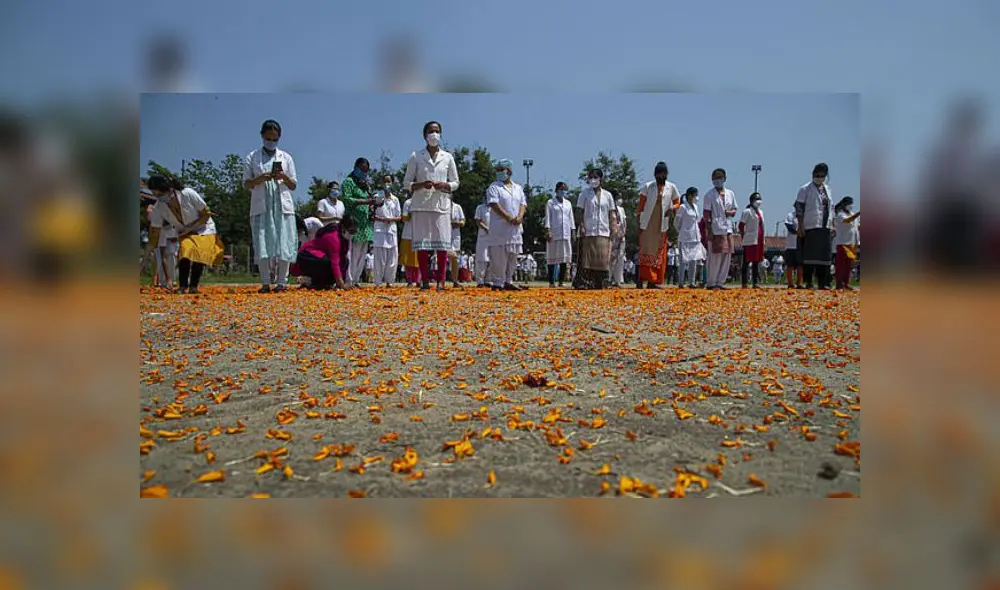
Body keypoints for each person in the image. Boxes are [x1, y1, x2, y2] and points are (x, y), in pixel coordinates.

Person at [141, 174, 223, 294]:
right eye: (155, 195)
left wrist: (190, 229)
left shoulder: (188, 193)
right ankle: (183, 286)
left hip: (203, 228)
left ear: (169, 190)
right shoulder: (159, 207)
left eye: (160, 194)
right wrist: (143, 262)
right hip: (184, 232)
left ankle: (193, 286)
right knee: (185, 252)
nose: (158, 198)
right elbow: (154, 236)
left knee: (199, 254)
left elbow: (206, 214)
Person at [403, 121, 460, 291]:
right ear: (424, 135)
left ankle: (441, 281)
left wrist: (446, 186)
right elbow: (407, 182)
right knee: (422, 245)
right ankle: (425, 281)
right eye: (430, 131)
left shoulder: (448, 157)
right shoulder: (416, 156)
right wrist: (420, 185)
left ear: (441, 134)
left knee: (442, 245)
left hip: (441, 205)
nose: (434, 134)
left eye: (437, 131)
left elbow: (456, 181)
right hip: (421, 204)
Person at [244, 119, 298, 293]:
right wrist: (261, 178)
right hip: (262, 204)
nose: (271, 142)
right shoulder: (252, 157)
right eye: (268, 138)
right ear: (262, 136)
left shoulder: (286, 157)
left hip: (282, 204)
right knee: (262, 243)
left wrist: (282, 176)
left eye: (274, 139)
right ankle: (266, 282)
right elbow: (246, 184)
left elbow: (293, 184)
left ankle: (282, 282)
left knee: (284, 243)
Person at [637, 162, 681, 289]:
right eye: (658, 173)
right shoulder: (648, 186)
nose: (660, 175)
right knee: (645, 250)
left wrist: (673, 208)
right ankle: (641, 279)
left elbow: (677, 201)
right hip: (647, 222)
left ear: (666, 174)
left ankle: (654, 280)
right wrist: (639, 218)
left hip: (661, 222)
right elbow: (641, 204)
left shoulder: (671, 187)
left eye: (662, 173)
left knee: (658, 252)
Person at [486, 158, 527, 291]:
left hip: (515, 228)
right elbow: (493, 204)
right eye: (497, 170)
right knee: (499, 256)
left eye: (501, 170)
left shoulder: (518, 188)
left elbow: (523, 204)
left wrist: (520, 216)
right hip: (500, 228)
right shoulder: (494, 187)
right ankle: (498, 282)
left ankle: (509, 280)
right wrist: (508, 217)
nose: (499, 173)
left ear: (508, 171)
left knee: (513, 255)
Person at [574, 168, 617, 290]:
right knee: (587, 258)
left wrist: (613, 227)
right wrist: (581, 226)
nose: (593, 180)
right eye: (590, 177)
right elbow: (579, 212)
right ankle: (584, 282)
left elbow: (611, 213)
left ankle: (602, 282)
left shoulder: (608, 195)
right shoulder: (584, 194)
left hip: (603, 230)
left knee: (602, 259)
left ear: (601, 179)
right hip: (589, 230)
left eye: (595, 177)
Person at [795, 163, 834, 289]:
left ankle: (823, 282)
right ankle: (809, 281)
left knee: (825, 255)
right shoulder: (805, 189)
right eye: (817, 175)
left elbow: (830, 208)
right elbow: (799, 207)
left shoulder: (827, 189)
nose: (819, 177)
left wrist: (832, 225)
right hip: (811, 225)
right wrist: (800, 225)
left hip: (825, 226)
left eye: (822, 175)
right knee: (810, 255)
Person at [289, 215, 356, 290]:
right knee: (325, 262)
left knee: (345, 261)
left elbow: (343, 260)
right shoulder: (334, 238)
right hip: (306, 255)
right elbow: (335, 263)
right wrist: (342, 284)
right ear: (343, 227)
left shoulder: (345, 240)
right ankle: (309, 279)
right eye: (351, 231)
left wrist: (341, 281)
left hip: (318, 256)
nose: (352, 234)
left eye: (354, 231)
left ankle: (323, 283)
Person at [342, 158, 378, 287]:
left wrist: (374, 202)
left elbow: (370, 200)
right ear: (356, 167)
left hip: (365, 222)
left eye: (366, 171)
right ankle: (348, 279)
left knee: (362, 252)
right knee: (352, 251)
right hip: (353, 222)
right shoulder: (348, 182)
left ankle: (356, 279)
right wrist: (365, 201)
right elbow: (347, 199)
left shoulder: (365, 184)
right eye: (362, 169)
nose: (364, 172)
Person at [703, 168, 738, 290]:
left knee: (726, 254)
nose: (718, 180)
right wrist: (709, 230)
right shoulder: (709, 195)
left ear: (725, 178)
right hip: (715, 227)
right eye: (715, 178)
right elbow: (706, 214)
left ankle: (720, 282)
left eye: (720, 177)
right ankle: (712, 282)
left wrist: (730, 212)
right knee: (715, 255)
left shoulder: (730, 193)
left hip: (727, 227)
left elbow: (734, 209)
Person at [373, 175, 402, 287]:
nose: (387, 184)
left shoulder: (395, 199)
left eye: (389, 181)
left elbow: (399, 216)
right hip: (380, 229)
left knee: (392, 257)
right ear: (381, 182)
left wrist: (390, 219)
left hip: (391, 230)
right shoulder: (377, 196)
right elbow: (372, 214)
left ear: (392, 183)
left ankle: (390, 282)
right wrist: (382, 219)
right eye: (385, 181)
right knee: (380, 258)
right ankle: (378, 282)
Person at [545, 182, 575, 287]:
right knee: (552, 257)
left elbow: (571, 218)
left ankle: (561, 281)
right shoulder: (550, 202)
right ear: (557, 190)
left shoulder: (568, 203)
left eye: (565, 189)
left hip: (565, 233)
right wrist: (548, 230)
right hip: (554, 233)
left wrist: (573, 230)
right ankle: (551, 281)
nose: (563, 191)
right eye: (561, 189)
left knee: (564, 258)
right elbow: (548, 217)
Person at [675, 187, 706, 288]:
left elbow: (696, 221)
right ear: (689, 196)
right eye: (695, 195)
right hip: (685, 237)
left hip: (695, 237)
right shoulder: (683, 207)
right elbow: (677, 222)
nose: (696, 197)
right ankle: (681, 282)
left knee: (694, 260)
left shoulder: (696, 207)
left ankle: (692, 282)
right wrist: (681, 230)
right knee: (683, 261)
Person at [738, 192, 766, 288]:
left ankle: (755, 282)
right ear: (751, 201)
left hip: (759, 239)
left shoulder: (761, 212)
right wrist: (743, 235)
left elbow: (762, 225)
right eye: (756, 199)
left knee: (756, 261)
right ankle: (744, 282)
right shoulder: (747, 212)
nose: (758, 201)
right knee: (746, 261)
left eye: (759, 199)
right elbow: (741, 225)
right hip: (749, 239)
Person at [833, 196, 860, 290]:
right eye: (849, 204)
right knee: (841, 264)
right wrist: (858, 214)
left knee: (848, 265)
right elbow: (847, 220)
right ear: (844, 204)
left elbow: (857, 226)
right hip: (842, 242)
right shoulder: (840, 214)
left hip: (852, 242)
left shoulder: (852, 214)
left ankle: (846, 282)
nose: (850, 206)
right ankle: (839, 283)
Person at [399, 193, 421, 287]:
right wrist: (411, 214)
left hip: (420, 234)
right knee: (408, 260)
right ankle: (409, 281)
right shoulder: (408, 202)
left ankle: (419, 280)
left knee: (419, 259)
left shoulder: (423, 203)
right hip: (408, 234)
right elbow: (403, 218)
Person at [608, 191, 627, 287]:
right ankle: (608, 279)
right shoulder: (609, 209)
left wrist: (624, 233)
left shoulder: (621, 209)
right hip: (612, 235)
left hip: (621, 236)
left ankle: (618, 280)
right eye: (618, 197)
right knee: (610, 258)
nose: (620, 200)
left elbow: (624, 222)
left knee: (620, 258)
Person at [783, 210, 804, 289]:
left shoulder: (806, 215)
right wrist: (797, 232)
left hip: (801, 244)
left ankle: (799, 283)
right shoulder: (791, 215)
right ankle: (790, 283)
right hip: (791, 244)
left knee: (800, 265)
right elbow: (788, 226)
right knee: (790, 265)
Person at [474, 197, 492, 287]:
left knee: (492, 258)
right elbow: (478, 221)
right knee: (482, 258)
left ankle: (488, 280)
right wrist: (487, 229)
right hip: (483, 236)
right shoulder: (480, 208)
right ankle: (480, 280)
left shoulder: (495, 208)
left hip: (494, 237)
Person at [449, 200, 466, 287]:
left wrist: (458, 223)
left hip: (456, 234)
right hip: (445, 233)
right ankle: (441, 280)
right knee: (446, 256)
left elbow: (463, 221)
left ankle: (455, 280)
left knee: (455, 258)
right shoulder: (441, 205)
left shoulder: (458, 207)